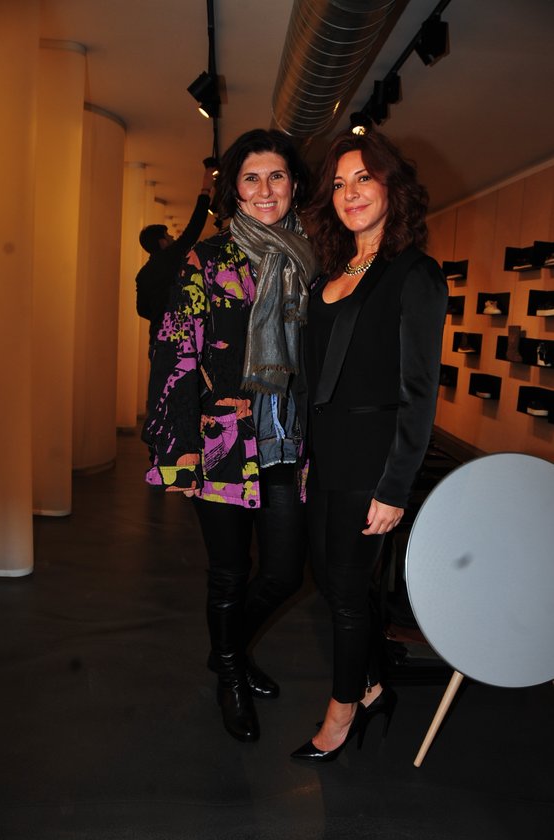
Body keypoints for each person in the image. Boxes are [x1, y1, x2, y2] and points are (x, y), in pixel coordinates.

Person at [142, 129, 317, 743]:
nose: (265, 189)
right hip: (222, 440)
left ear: (293, 184)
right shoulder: (207, 260)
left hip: (288, 439)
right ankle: (232, 679)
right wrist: (179, 448)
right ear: (235, 190)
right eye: (251, 177)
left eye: (276, 176)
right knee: (228, 572)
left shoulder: (312, 259)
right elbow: (176, 351)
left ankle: (227, 653)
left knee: (286, 570)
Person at [290, 127, 448, 762]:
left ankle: (342, 712)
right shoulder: (331, 270)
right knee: (329, 580)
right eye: (339, 184)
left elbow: (420, 390)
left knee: (348, 589)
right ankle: (375, 685)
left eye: (363, 178)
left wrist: (395, 484)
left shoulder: (415, 273)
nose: (350, 193)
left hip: (374, 455)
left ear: (391, 187)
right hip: (328, 451)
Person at [136, 159, 217, 348]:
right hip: (181, 333)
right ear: (162, 242)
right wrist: (205, 189)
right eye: (168, 236)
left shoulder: (143, 275)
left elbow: (142, 310)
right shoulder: (169, 257)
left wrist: (161, 312)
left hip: (158, 338)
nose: (173, 238)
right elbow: (193, 228)